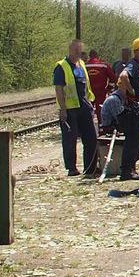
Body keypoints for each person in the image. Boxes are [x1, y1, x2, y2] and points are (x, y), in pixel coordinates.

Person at [53, 39, 97, 177]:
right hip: (70, 109)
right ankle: (72, 168)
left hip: (84, 106)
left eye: (80, 51)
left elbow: (86, 86)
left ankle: (90, 167)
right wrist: (63, 109)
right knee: (70, 140)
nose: (78, 53)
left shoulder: (82, 64)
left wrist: (91, 103)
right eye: (75, 50)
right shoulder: (61, 66)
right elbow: (59, 89)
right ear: (70, 50)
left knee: (91, 138)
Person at [116, 37, 139, 181]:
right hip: (134, 110)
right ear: (137, 52)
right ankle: (126, 171)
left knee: (138, 139)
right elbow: (123, 76)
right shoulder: (132, 65)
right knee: (133, 140)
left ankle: (131, 168)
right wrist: (132, 92)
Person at [84, 49, 112, 127]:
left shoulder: (84, 66)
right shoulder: (104, 65)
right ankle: (102, 127)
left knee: (88, 110)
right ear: (97, 56)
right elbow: (113, 78)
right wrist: (108, 88)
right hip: (101, 92)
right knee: (101, 110)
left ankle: (88, 128)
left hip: (88, 92)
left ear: (89, 56)